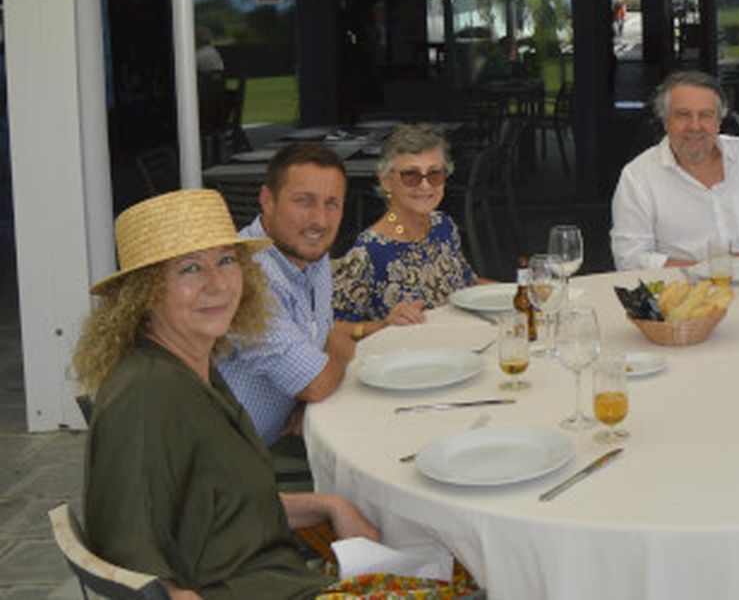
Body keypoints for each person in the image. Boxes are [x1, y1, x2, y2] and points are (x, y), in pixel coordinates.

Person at [74, 189, 477, 599]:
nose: (217, 284)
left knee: (463, 571)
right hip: (254, 589)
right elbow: (128, 552)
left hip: (280, 577)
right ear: (143, 293)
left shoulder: (193, 368)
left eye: (227, 261)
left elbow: (230, 504)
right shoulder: (145, 391)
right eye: (190, 269)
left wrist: (329, 506)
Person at [218, 144, 357, 450]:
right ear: (267, 200)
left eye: (332, 203)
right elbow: (318, 382)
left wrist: (302, 394)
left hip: (277, 432)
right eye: (304, 201)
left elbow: (325, 337)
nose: (320, 220)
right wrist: (308, 385)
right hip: (225, 465)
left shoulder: (311, 255)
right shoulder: (243, 274)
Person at [611, 70, 739, 270]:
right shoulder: (638, 177)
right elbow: (629, 258)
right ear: (665, 121)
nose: (695, 126)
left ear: (718, 122)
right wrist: (712, 269)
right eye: (683, 115)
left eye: (705, 115)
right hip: (683, 295)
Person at [334, 123, 478, 325]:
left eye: (435, 174)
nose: (425, 185)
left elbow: (469, 285)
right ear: (385, 181)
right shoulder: (367, 254)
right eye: (411, 175)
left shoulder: (443, 226)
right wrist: (384, 324)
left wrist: (521, 290)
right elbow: (330, 332)